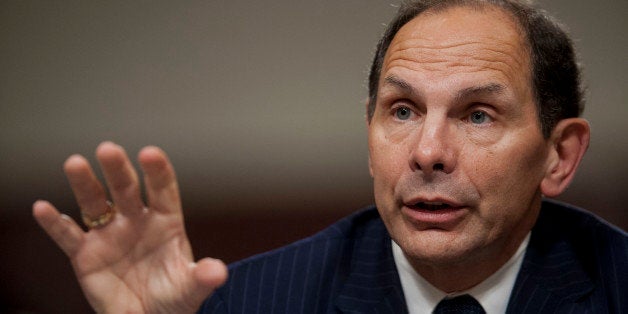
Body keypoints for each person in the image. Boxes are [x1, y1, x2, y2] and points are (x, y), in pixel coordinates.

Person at [33, 0, 627, 313]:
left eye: (477, 115)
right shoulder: (247, 305)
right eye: (401, 111)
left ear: (559, 156)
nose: (426, 152)